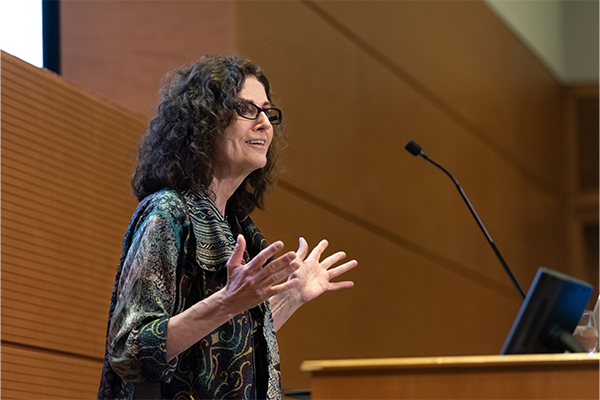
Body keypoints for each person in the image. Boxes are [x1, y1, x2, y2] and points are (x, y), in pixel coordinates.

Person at [97, 55, 358, 399]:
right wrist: (227, 302)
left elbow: (227, 347)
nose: (265, 123)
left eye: (267, 111)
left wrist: (291, 295)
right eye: (248, 109)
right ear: (204, 120)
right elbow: (129, 351)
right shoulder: (168, 213)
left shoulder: (236, 229)